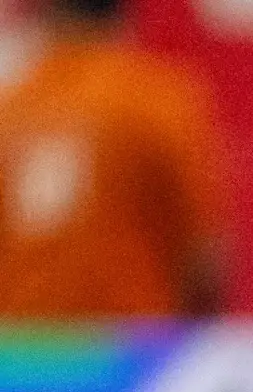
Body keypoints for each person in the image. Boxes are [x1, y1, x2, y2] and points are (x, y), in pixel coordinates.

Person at [0, 0, 223, 323]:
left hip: (19, 355)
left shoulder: (10, 109)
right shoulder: (158, 102)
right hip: (130, 350)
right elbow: (205, 258)